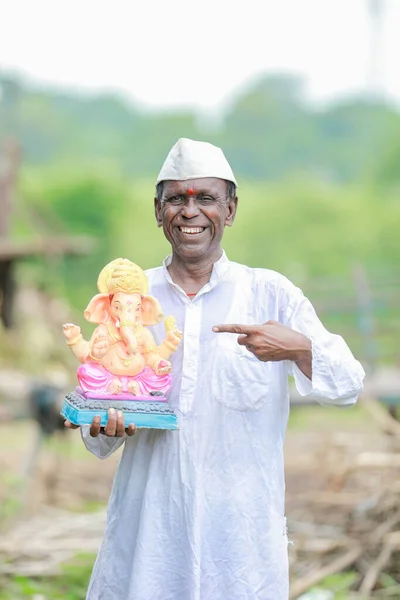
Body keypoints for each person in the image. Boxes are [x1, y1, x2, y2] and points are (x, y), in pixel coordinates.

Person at [65, 138, 365, 600]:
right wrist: (108, 425)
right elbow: (95, 435)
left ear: (230, 209)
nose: (190, 212)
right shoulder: (130, 295)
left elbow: (348, 384)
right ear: (157, 210)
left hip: (241, 544)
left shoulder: (270, 295)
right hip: (150, 537)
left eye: (205, 198)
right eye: (176, 199)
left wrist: (298, 348)